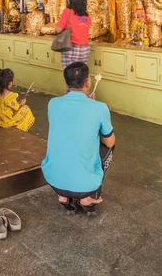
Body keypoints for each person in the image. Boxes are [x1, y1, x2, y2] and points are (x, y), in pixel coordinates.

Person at [41, 62, 116, 216]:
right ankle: (87, 198)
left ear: (65, 82)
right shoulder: (99, 108)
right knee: (108, 145)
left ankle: (63, 196)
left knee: (67, 139)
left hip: (53, 178)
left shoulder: (52, 103)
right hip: (87, 184)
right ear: (88, 82)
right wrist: (94, 110)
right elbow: (110, 142)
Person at [55, 0, 91, 68]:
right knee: (82, 75)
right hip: (85, 49)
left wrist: (57, 23)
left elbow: (58, 29)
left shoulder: (67, 12)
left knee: (70, 76)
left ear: (69, 0)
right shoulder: (86, 15)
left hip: (72, 48)